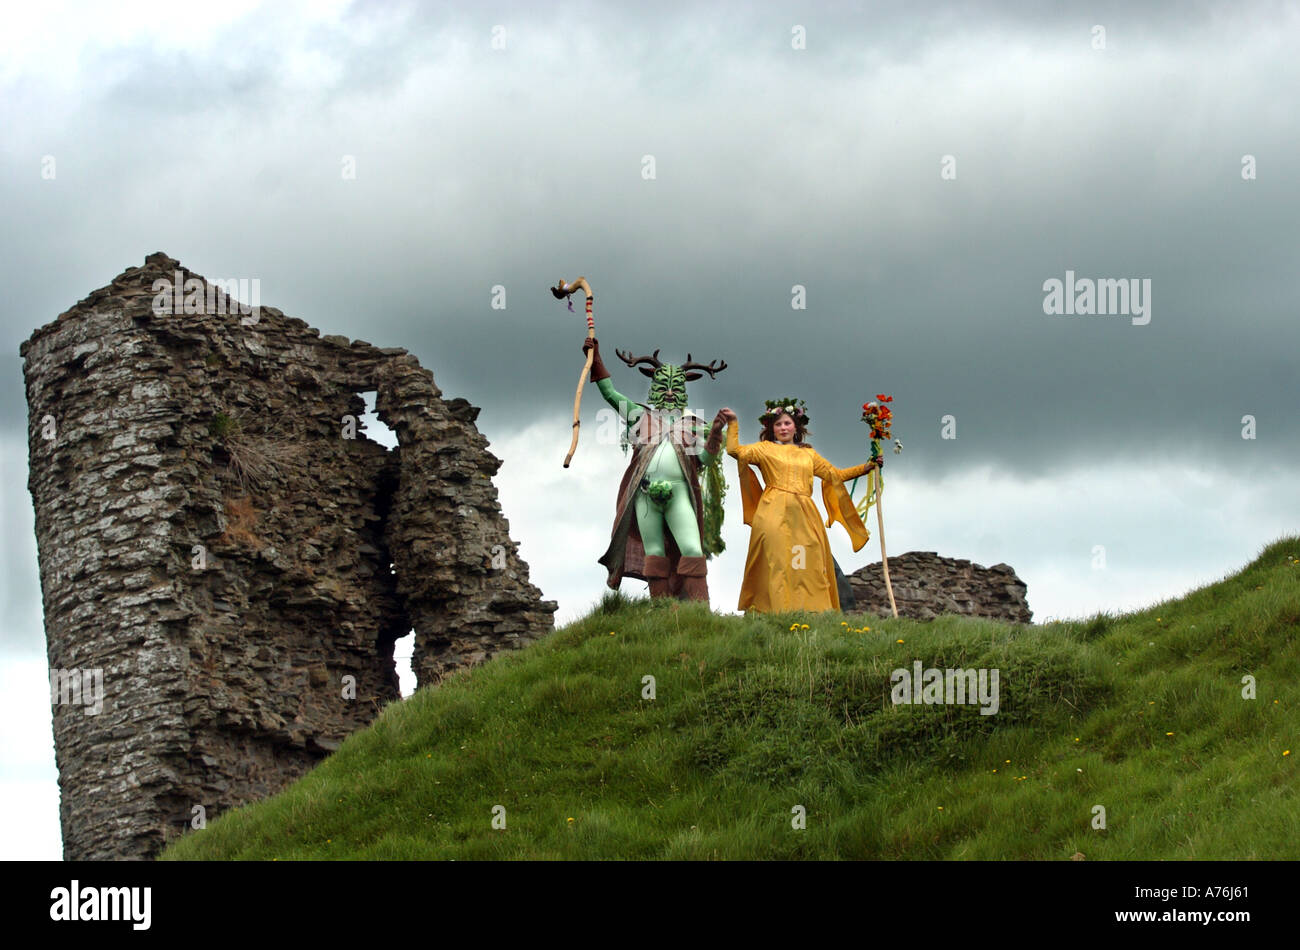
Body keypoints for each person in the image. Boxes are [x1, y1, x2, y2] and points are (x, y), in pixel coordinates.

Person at [583, 337, 729, 601]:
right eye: (664, 387)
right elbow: (610, 394)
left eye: (676, 388)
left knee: (692, 548)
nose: (670, 393)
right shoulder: (641, 416)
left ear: (684, 390)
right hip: (645, 495)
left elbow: (705, 461)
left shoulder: (693, 425)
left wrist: (716, 433)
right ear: (655, 388)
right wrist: (595, 358)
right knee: (654, 551)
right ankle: (661, 609)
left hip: (679, 494)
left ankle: (699, 609)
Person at [722, 399, 880, 613]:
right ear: (771, 429)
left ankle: (807, 613)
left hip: (803, 517)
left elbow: (836, 475)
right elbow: (735, 451)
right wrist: (733, 423)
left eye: (787, 423)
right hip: (772, 512)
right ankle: (775, 612)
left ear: (796, 427)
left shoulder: (808, 454)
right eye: (778, 425)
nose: (783, 428)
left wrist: (867, 467)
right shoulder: (764, 449)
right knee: (776, 563)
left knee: (803, 563)